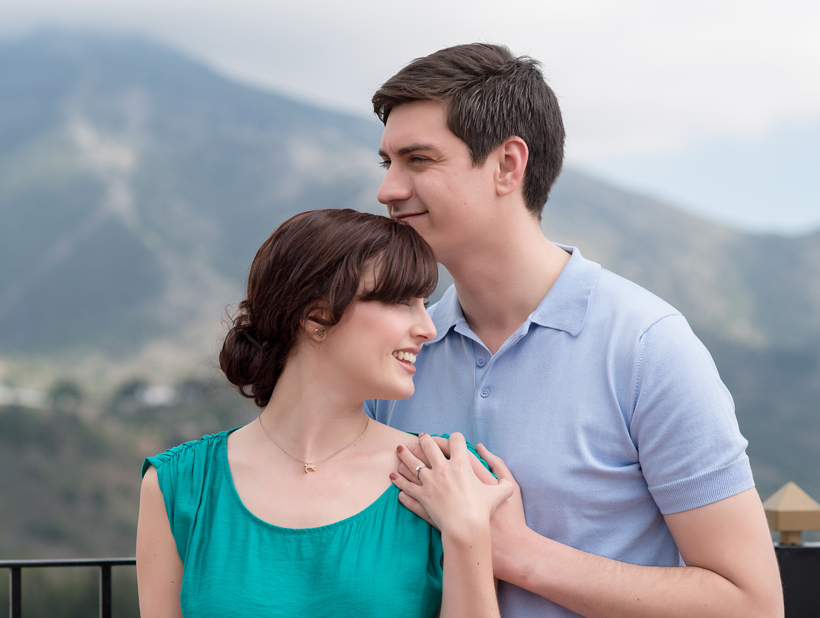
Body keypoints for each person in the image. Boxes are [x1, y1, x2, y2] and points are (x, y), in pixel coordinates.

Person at [367, 44, 784, 617]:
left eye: (418, 160)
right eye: (386, 163)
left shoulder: (646, 346)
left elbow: (752, 605)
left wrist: (519, 554)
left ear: (508, 166)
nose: (388, 189)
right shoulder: (394, 351)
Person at [136, 209, 513, 617]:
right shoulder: (178, 486)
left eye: (426, 303)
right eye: (402, 301)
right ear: (318, 316)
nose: (428, 327)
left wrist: (468, 533)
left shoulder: (449, 478)